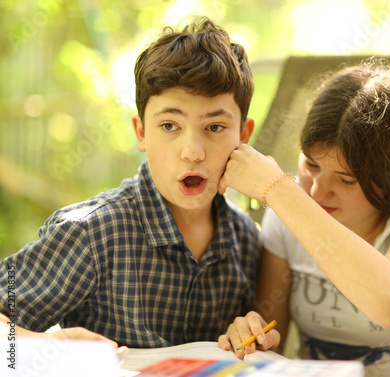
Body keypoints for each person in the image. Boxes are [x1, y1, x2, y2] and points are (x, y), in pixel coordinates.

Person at [0, 16, 259, 352]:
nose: (192, 153)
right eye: (169, 126)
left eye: (214, 128)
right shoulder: (91, 233)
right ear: (141, 132)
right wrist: (45, 344)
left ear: (243, 135)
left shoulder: (246, 240)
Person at [218, 60, 390, 376]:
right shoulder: (289, 209)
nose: (318, 192)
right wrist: (254, 337)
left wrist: (275, 189)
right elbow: (270, 338)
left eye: (346, 179)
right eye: (311, 165)